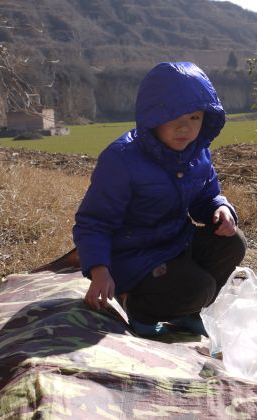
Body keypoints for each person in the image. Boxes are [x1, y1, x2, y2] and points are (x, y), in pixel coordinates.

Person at [73, 62, 246, 336]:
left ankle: (183, 311)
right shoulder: (121, 159)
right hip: (133, 259)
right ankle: (140, 308)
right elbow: (94, 222)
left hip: (174, 245)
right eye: (173, 117)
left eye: (194, 118)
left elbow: (207, 197)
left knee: (232, 242)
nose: (185, 128)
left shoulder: (197, 153)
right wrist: (99, 270)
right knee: (200, 288)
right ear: (152, 117)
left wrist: (220, 207)